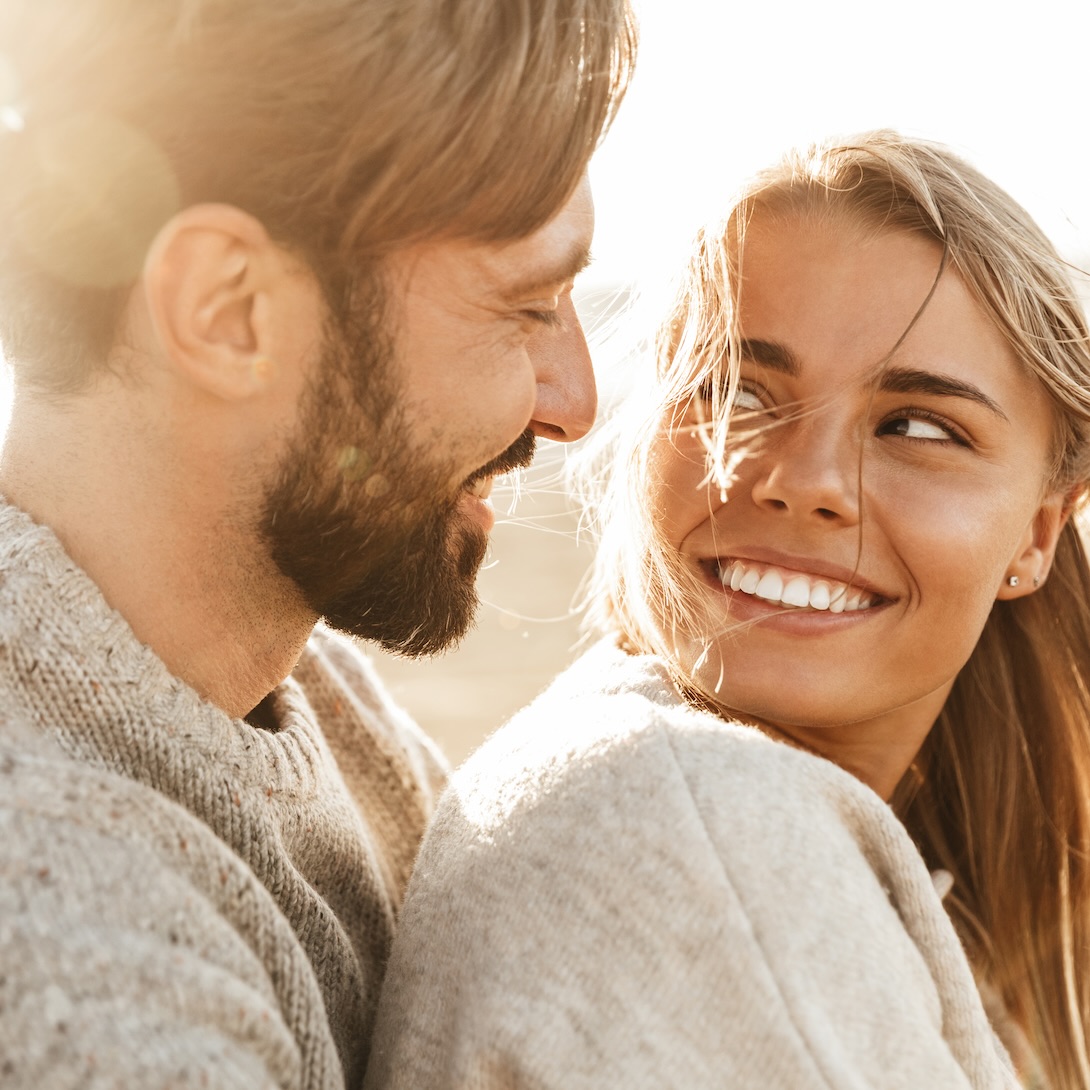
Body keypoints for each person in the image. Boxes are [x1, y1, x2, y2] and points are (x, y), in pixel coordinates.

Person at [364, 131, 1090, 1090]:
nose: (806, 483)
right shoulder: (703, 824)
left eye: (917, 427)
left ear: (1038, 535)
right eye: (735, 391)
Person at [0, 1, 636, 1087]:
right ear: (228, 310)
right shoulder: (69, 962)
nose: (574, 402)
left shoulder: (308, 695)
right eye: (525, 307)